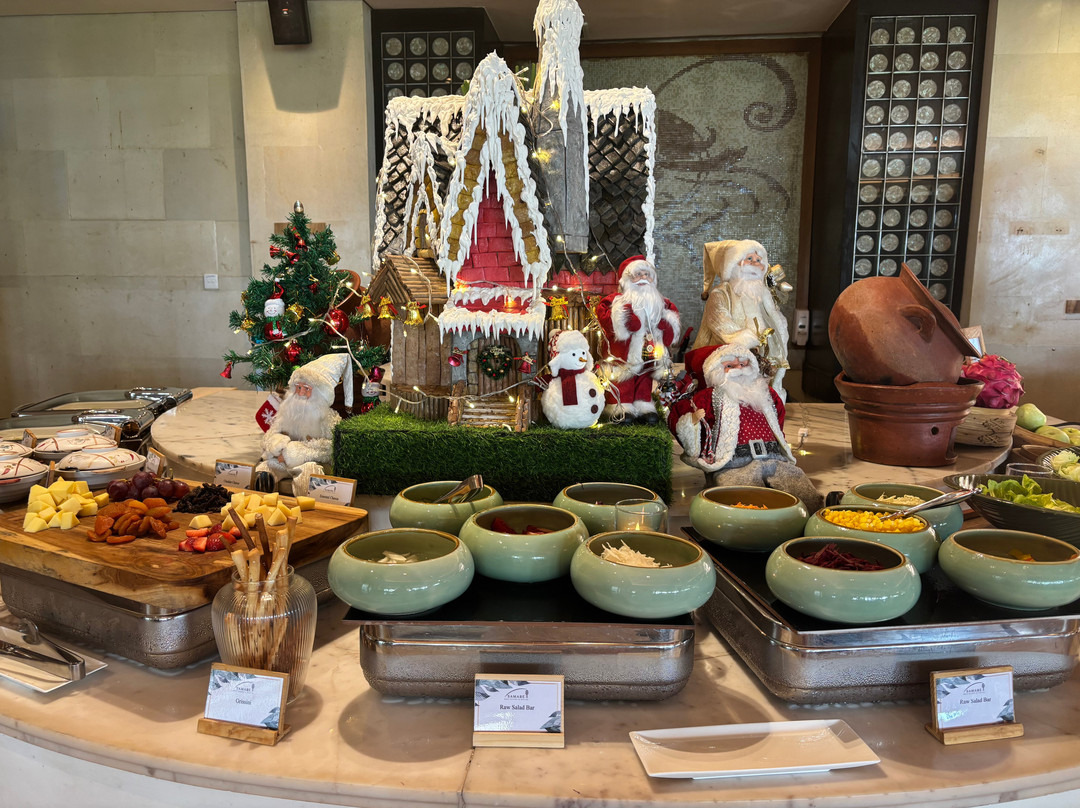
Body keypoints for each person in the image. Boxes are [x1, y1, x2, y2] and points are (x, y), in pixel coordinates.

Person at [667, 343, 822, 512]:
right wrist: (692, 421)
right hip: (734, 464)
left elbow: (778, 420)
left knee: (798, 486)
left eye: (743, 364)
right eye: (730, 366)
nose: (739, 369)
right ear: (716, 371)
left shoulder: (767, 394)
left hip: (774, 457)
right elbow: (679, 417)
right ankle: (756, 518)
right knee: (742, 497)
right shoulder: (709, 397)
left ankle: (813, 509)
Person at [694, 239, 790, 399]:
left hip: (763, 358)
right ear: (733, 265)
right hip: (730, 358)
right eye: (749, 259)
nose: (755, 264)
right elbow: (720, 322)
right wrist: (744, 341)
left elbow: (775, 320)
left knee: (761, 392)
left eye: (759, 260)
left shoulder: (763, 295)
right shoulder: (721, 294)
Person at [596, 255, 681, 424]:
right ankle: (620, 407)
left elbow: (671, 333)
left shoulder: (662, 304)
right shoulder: (614, 302)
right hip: (623, 355)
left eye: (647, 274)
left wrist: (665, 323)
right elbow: (606, 321)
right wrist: (625, 316)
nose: (643, 278)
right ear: (627, 280)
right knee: (622, 378)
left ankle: (644, 406)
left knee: (645, 377)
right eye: (638, 274)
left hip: (650, 353)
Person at [254, 353, 353, 494]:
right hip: (282, 461)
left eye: (306, 389)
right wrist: (275, 444)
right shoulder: (286, 412)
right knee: (266, 466)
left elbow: (332, 447)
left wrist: (297, 452)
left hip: (310, 462)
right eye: (298, 388)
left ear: (320, 394)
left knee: (309, 472)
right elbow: (269, 435)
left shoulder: (328, 418)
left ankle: (306, 504)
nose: (300, 393)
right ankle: (263, 496)